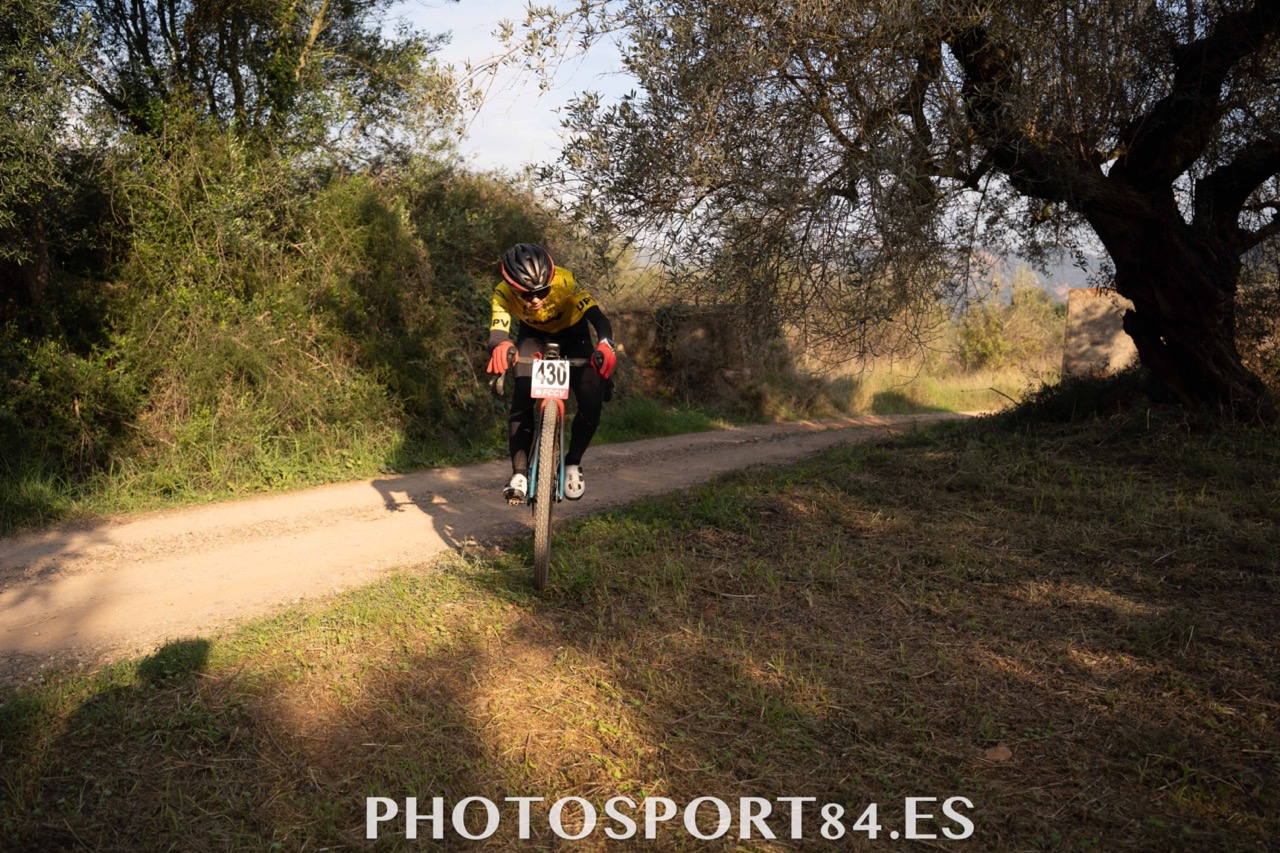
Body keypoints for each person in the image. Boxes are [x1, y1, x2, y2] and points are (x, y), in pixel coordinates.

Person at [485, 243, 616, 502]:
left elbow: (599, 319)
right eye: (526, 295)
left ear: (551, 279)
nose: (535, 300)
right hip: (533, 336)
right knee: (523, 393)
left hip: (574, 335)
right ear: (512, 287)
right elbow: (498, 332)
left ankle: (573, 462)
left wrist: (605, 344)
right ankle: (519, 473)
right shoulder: (502, 292)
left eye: (542, 291)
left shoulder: (566, 281)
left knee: (591, 398)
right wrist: (500, 345)